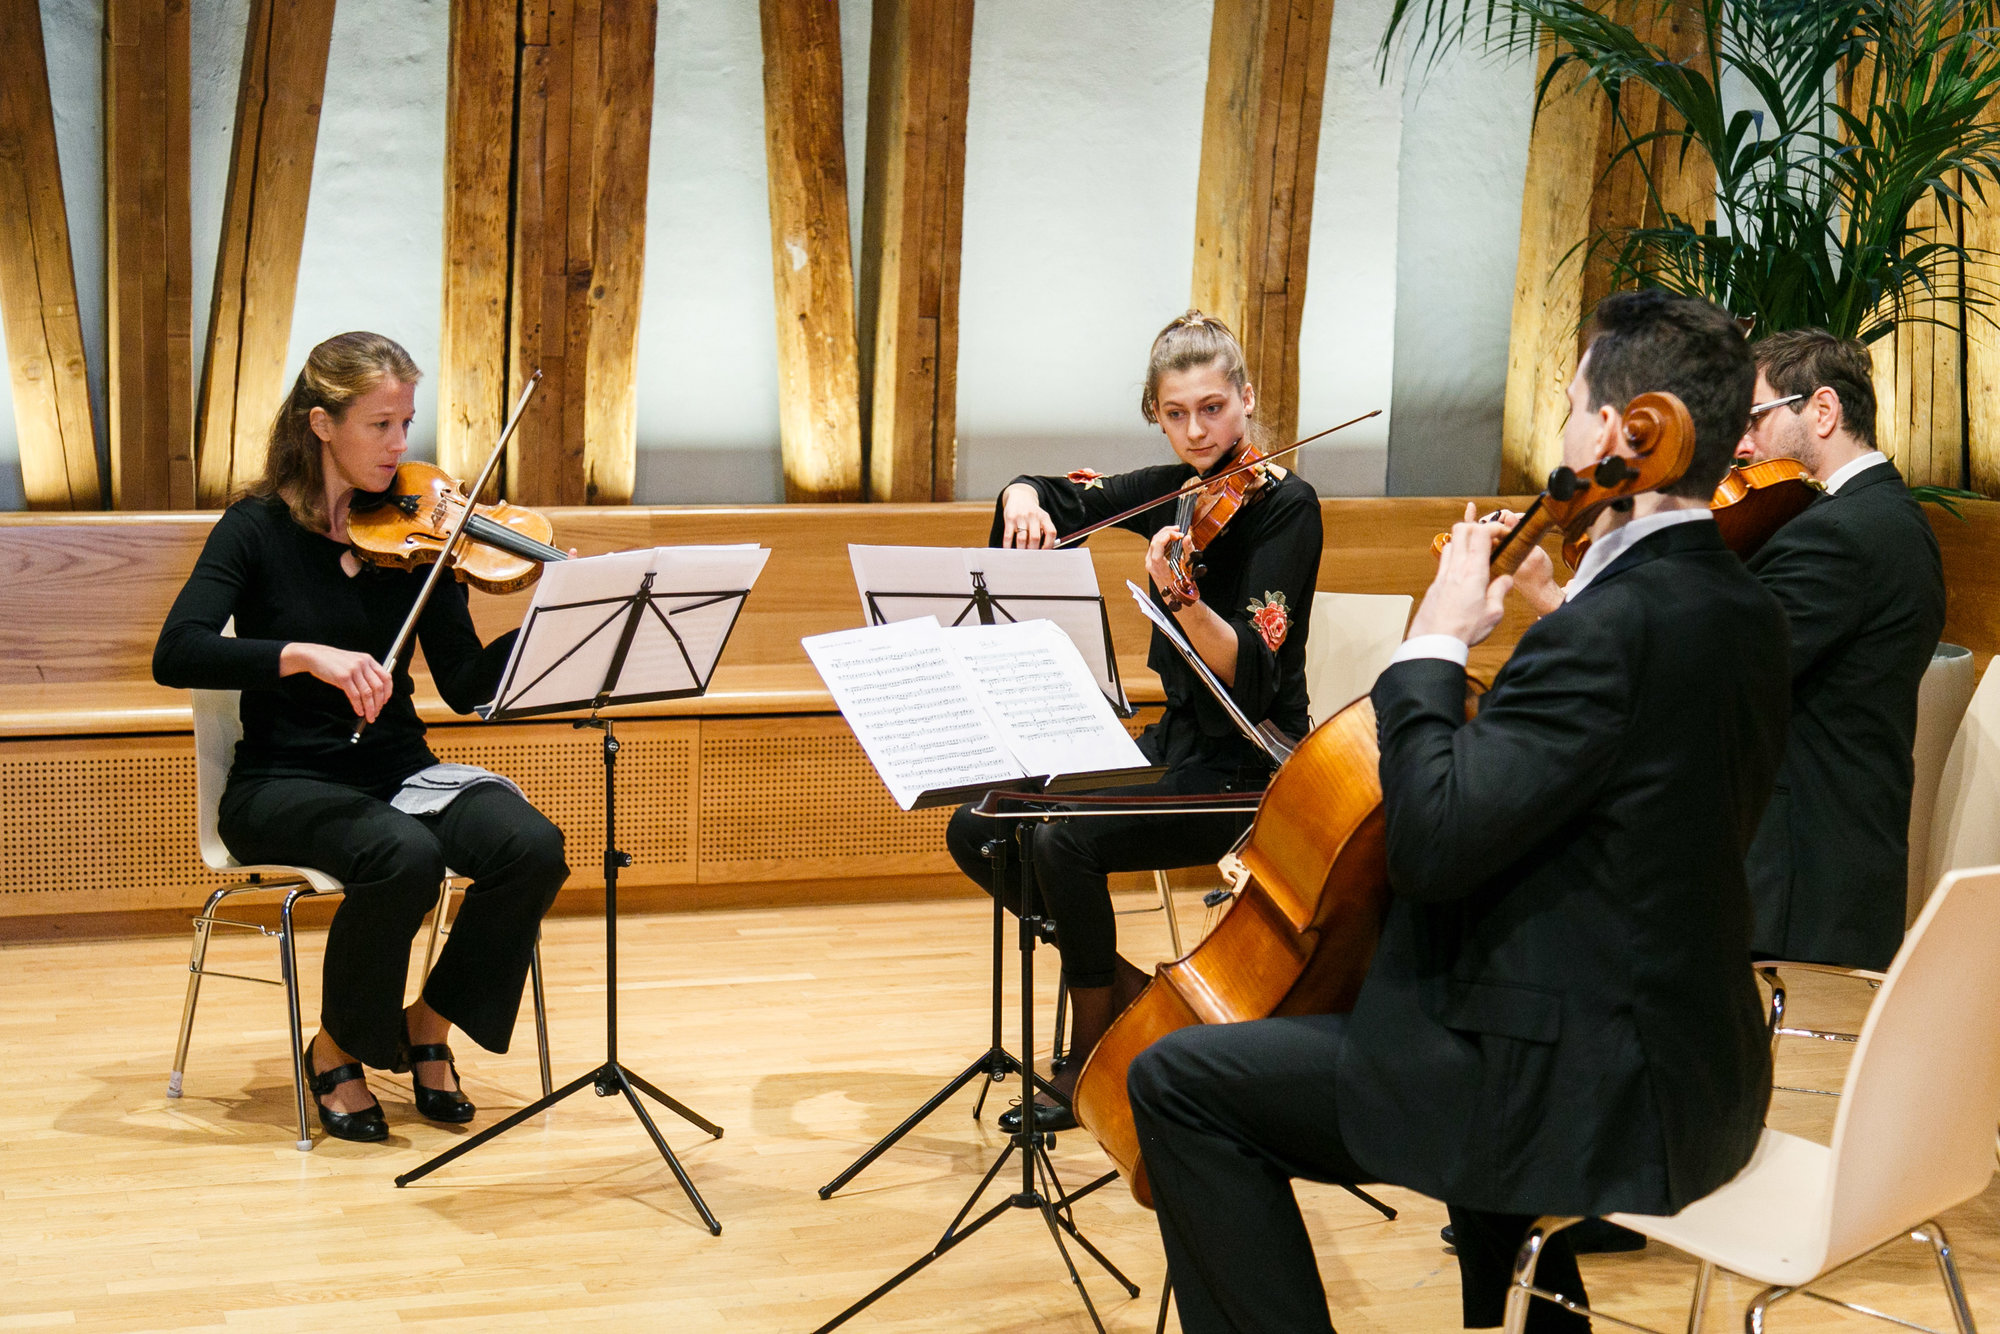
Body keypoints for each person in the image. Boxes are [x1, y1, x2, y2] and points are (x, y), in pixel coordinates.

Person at [1126, 290, 1791, 1332]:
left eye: (1571, 406)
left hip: (1568, 1083)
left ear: (1627, 432)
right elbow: (1620, 781)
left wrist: (1433, 640)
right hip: (1691, 1060)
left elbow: (1431, 840)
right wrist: (1544, 614)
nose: (1559, 434)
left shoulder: (1601, 638)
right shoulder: (1739, 607)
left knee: (1176, 1080)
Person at [154, 331, 569, 1144]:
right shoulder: (256, 530)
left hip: (398, 772)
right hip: (282, 783)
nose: (401, 446)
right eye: (381, 425)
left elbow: (465, 683)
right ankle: (337, 1046)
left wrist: (558, 620)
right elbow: (179, 650)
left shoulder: (417, 537)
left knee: (531, 846)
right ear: (320, 424)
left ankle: (428, 1025)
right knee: (402, 858)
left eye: (406, 423)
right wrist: (306, 655)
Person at [943, 310, 1322, 1133]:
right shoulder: (1177, 494)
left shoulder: (1288, 507)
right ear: (1157, 413)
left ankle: (1089, 1064)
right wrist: (1022, 501)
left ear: (1247, 400)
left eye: (1213, 409)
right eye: (1176, 413)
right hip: (1175, 747)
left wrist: (1181, 596)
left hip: (1248, 768)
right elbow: (1055, 493)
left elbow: (1254, 678)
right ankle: (1131, 997)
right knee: (984, 825)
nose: (1197, 429)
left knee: (1062, 839)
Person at [1734, 329, 1947, 970]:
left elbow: (1725, 670)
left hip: (1801, 889)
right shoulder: (1884, 515)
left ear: (1822, 411)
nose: (1740, 444)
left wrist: (1565, 604)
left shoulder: (1838, 536)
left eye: (1752, 418)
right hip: (1832, 874)